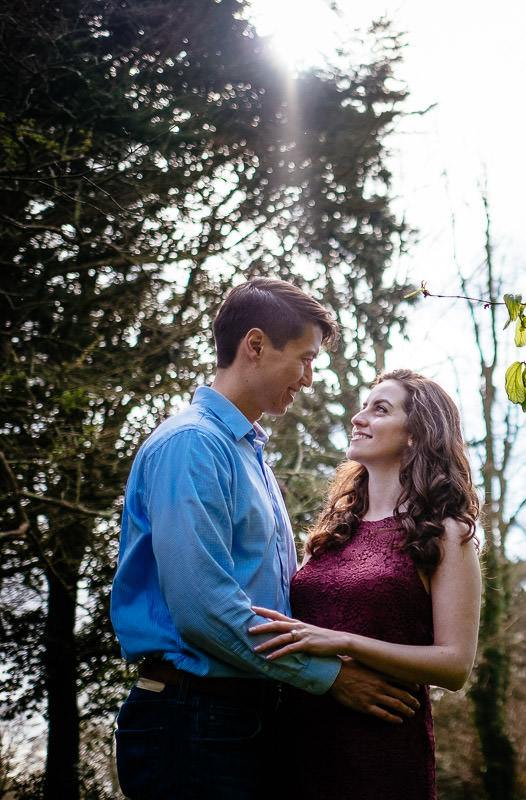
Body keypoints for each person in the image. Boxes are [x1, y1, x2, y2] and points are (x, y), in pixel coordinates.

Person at [110, 278, 419, 800]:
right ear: (255, 345)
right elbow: (203, 608)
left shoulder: (247, 455)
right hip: (193, 716)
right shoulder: (194, 445)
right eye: (304, 358)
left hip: (237, 714)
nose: (308, 378)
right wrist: (329, 677)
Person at [248, 368, 483, 800]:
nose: (358, 418)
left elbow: (455, 665)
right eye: (363, 406)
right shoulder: (331, 532)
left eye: (380, 409)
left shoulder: (446, 533)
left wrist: (346, 643)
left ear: (416, 434)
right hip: (295, 743)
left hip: (380, 750)